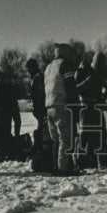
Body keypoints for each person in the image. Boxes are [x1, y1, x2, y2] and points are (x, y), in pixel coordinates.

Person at [43, 43, 79, 175]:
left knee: (56, 139)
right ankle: (64, 168)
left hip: (49, 105)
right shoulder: (65, 65)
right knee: (65, 137)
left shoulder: (48, 67)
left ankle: (56, 167)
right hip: (61, 104)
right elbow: (70, 87)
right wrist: (75, 106)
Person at [74, 51, 107, 168]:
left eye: (102, 64)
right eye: (99, 63)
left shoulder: (99, 74)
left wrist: (106, 96)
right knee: (84, 136)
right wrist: (87, 82)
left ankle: (100, 162)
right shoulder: (82, 71)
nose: (100, 66)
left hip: (96, 107)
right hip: (85, 107)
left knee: (102, 135)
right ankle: (79, 161)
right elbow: (74, 90)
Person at [25, 57, 46, 153]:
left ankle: (40, 147)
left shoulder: (38, 77)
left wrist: (38, 107)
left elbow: (41, 94)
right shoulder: (37, 77)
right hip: (39, 109)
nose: (28, 72)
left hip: (41, 109)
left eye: (28, 70)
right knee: (40, 128)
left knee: (41, 128)